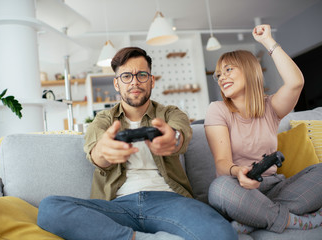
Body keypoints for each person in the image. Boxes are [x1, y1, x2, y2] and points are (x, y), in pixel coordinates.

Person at [37, 47, 237, 240]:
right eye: (126, 76)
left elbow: (180, 134)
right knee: (49, 208)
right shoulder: (103, 120)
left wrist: (173, 140)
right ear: (117, 84)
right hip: (117, 206)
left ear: (151, 81)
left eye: (141, 75)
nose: (134, 82)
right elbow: (96, 152)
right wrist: (104, 152)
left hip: (170, 201)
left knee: (223, 234)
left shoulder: (170, 113)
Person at [205, 24, 322, 234]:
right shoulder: (217, 110)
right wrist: (238, 172)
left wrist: (267, 41)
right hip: (240, 189)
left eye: (228, 69)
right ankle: (292, 220)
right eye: (219, 75)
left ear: (249, 71)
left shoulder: (270, 107)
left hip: (275, 188)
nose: (221, 78)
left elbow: (296, 82)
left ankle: (254, 219)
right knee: (219, 188)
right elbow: (222, 164)